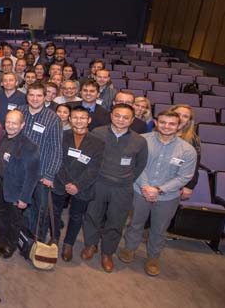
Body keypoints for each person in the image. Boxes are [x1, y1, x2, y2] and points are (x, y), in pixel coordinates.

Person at [119, 111, 196, 276]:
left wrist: (159, 190)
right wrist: (146, 187)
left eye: (171, 124)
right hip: (140, 191)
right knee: (136, 223)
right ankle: (129, 248)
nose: (166, 126)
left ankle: (153, 257)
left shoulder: (187, 150)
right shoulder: (142, 140)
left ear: (179, 125)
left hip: (168, 197)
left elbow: (185, 176)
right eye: (163, 122)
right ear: (156, 122)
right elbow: (136, 165)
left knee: (159, 229)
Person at [81, 103, 148, 273]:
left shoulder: (139, 141)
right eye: (117, 115)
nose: (121, 120)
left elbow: (140, 165)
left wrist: (126, 179)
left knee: (116, 221)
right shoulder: (98, 133)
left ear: (132, 120)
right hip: (98, 183)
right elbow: (88, 156)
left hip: (122, 188)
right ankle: (91, 245)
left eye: (126, 117)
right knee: (92, 216)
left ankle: (107, 253)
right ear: (111, 116)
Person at [51, 106, 104, 262]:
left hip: (83, 186)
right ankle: (54, 239)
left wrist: (77, 185)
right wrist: (67, 182)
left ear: (89, 120)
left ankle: (68, 244)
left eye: (82, 118)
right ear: (70, 119)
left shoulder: (98, 143)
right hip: (61, 182)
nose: (78, 121)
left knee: (76, 216)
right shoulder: (61, 136)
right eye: (75, 117)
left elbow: (94, 168)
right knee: (55, 213)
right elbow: (57, 160)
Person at [16, 82, 63, 240]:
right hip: (20, 171)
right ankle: (22, 238)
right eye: (31, 95)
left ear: (45, 97)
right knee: (21, 207)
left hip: (40, 173)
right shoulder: (19, 112)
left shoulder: (53, 119)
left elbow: (56, 149)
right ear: (26, 95)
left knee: (40, 211)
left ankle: (38, 242)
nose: (34, 98)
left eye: (38, 95)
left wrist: (50, 175)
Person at [0, 110, 40, 258]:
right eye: (8, 122)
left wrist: (24, 198)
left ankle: (10, 246)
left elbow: (32, 175)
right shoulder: (3, 138)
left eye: (14, 123)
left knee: (13, 221)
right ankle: (2, 240)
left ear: (22, 125)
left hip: (15, 191)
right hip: (0, 185)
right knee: (1, 216)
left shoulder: (29, 146)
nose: (10, 126)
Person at [169, 104, 201, 201]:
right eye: (178, 114)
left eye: (185, 116)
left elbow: (195, 165)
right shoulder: (156, 133)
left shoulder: (193, 140)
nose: (181, 118)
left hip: (176, 183)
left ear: (189, 121)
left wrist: (189, 186)